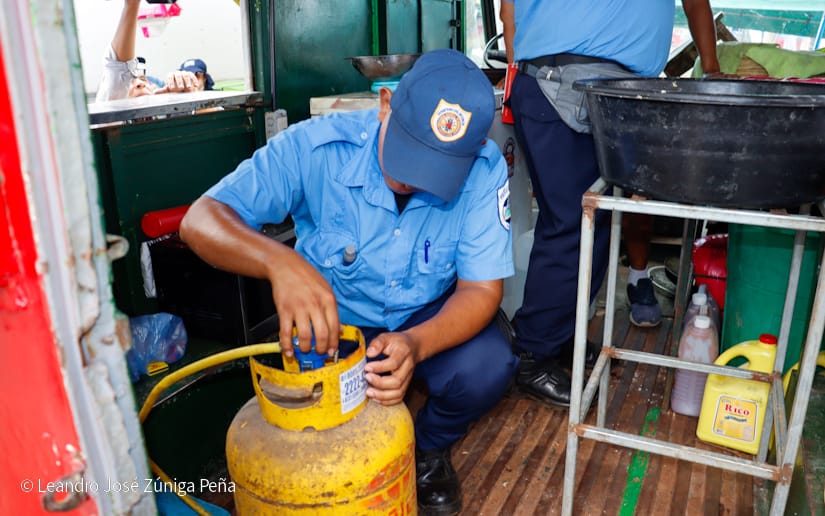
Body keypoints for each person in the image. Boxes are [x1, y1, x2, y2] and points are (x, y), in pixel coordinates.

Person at [179, 49, 518, 515]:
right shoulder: (315, 147)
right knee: (306, 433)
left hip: (424, 316)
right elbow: (200, 220)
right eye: (407, 152)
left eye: (434, 168)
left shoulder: (483, 169)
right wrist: (280, 263)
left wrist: (415, 344)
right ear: (385, 104)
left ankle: (427, 448)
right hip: (332, 321)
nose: (411, 180)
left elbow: (481, 291)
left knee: (489, 366)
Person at [499, 0, 722, 407]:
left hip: (593, 87)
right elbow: (508, 9)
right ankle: (532, 354)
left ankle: (559, 335)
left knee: (596, 223)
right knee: (570, 226)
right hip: (565, 85)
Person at [95, 0, 203, 102]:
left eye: (143, 80)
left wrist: (185, 96)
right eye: (129, 83)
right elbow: (119, 70)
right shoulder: (110, 106)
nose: (140, 84)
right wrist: (132, 4)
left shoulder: (164, 107)